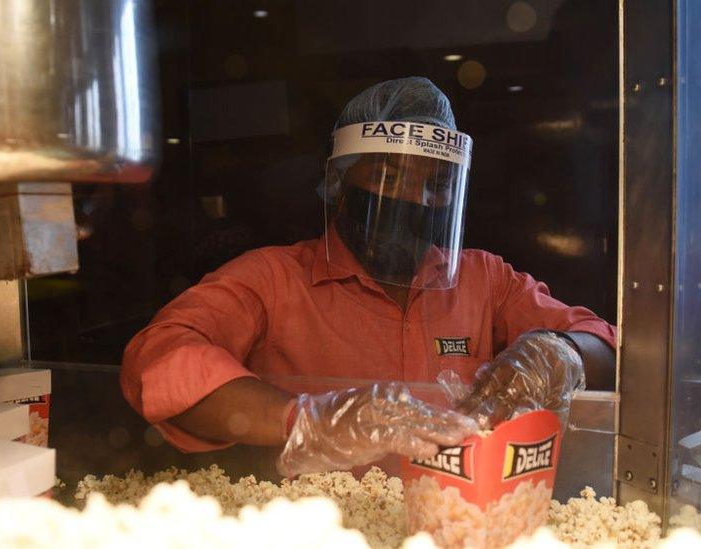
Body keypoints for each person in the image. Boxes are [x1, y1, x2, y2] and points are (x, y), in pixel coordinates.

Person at [120, 77, 616, 477]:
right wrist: (308, 420)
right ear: (339, 181)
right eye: (389, 178)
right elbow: (159, 357)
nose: (416, 201)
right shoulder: (272, 278)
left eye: (437, 184)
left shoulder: (484, 278)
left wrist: (558, 353)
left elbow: (607, 344)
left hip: (458, 521)